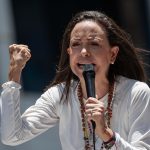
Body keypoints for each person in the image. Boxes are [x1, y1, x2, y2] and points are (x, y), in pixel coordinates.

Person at [1, 10, 150, 150]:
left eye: (94, 44)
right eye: (76, 44)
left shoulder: (136, 93)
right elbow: (12, 136)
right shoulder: (60, 95)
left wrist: (106, 134)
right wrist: (14, 76)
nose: (84, 52)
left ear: (112, 54)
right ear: (69, 53)